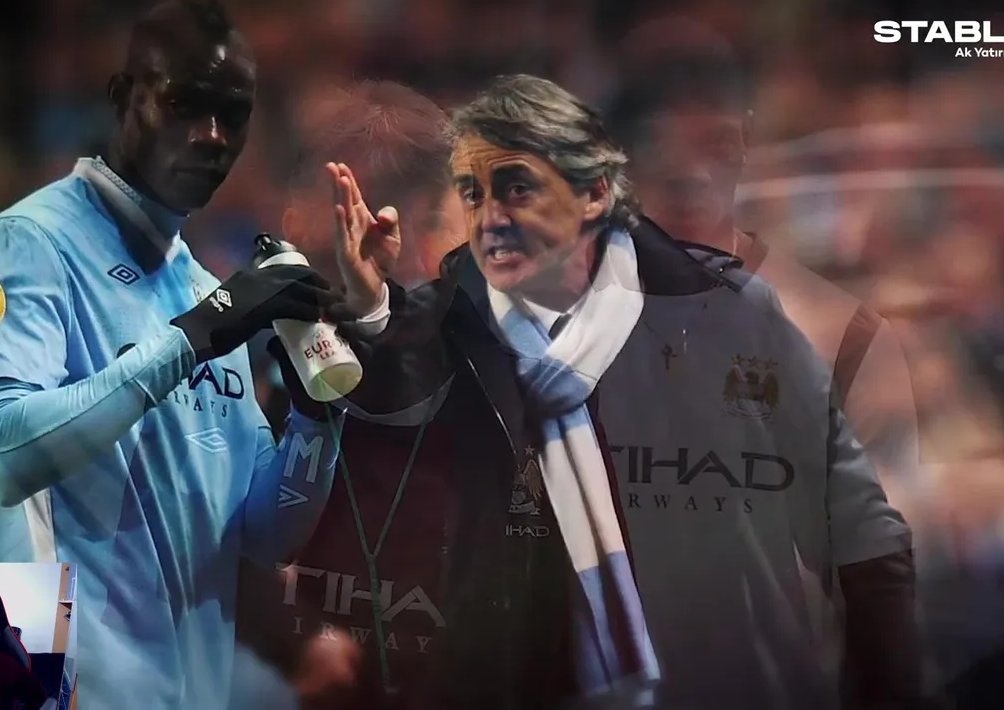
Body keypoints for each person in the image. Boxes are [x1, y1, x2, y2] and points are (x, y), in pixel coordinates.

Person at [334, 73, 926, 709]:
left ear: (594, 193)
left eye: (517, 189)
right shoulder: (446, 324)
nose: (490, 220)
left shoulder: (727, 316)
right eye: (473, 194)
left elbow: (859, 531)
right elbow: (382, 428)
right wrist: (369, 311)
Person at [0, 0, 346, 709]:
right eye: (184, 103)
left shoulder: (207, 292)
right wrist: (195, 337)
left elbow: (265, 536)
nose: (211, 135)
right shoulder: (31, 242)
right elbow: (3, 456)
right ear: (121, 97)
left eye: (233, 114)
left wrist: (313, 417)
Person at [235, 80, 544, 710]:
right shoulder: (244, 366)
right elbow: (207, 540)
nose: (377, 250)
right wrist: (290, 639)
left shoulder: (512, 375)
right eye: (346, 212)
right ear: (294, 219)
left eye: (422, 219)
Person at [609, 19, 922, 523]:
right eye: (664, 150)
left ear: (747, 141)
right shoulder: (563, 318)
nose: (692, 174)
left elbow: (898, 519)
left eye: (712, 146)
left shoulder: (841, 332)